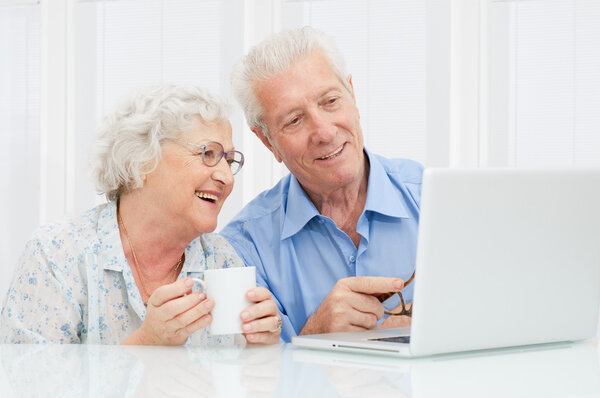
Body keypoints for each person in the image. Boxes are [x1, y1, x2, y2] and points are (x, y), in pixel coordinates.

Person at [0, 85, 281, 345]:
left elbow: (236, 386)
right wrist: (145, 345)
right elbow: (28, 385)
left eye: (229, 161)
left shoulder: (222, 260)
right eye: (208, 153)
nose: (226, 178)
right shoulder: (57, 255)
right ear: (142, 161)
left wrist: (261, 356)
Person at [221, 27, 424, 342]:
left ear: (352, 96)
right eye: (294, 120)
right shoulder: (241, 250)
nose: (325, 133)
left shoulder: (437, 198)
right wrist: (315, 336)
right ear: (267, 141)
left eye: (330, 101)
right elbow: (243, 382)